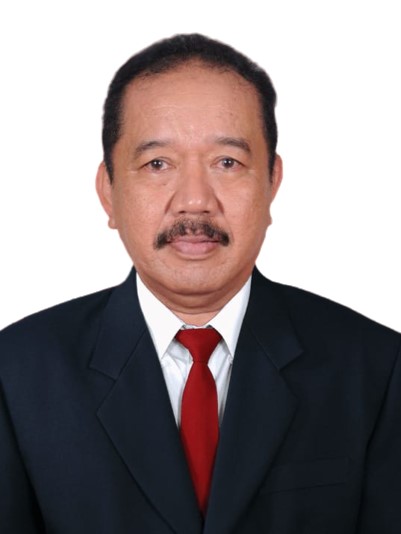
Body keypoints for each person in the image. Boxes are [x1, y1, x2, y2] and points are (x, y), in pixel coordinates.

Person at [0, 33, 400, 534]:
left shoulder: (376, 368)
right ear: (108, 192)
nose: (194, 201)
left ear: (272, 183)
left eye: (227, 162)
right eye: (157, 164)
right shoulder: (16, 373)